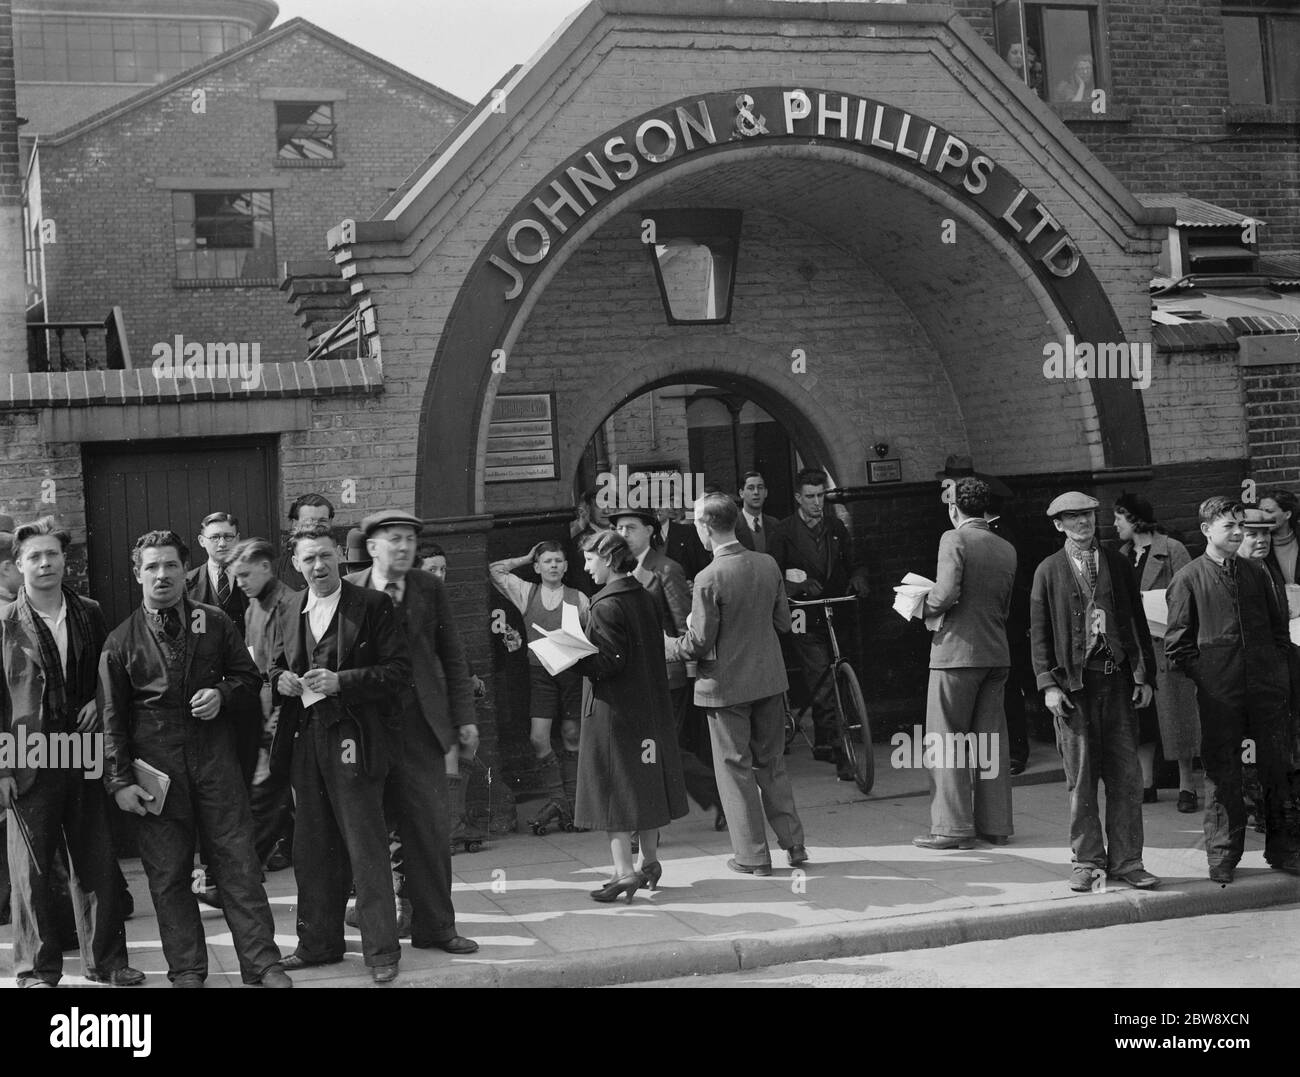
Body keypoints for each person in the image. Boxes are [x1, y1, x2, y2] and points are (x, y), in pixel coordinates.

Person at [100, 529, 290, 988]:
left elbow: (249, 679)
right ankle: (187, 969)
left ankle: (262, 964)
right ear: (137, 574)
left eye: (170, 565)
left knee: (238, 865)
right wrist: (120, 782)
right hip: (156, 774)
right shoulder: (120, 641)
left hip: (215, 765)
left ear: (185, 570)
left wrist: (222, 693)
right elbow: (112, 720)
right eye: (151, 567)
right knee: (168, 877)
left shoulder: (215, 621)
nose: (162, 575)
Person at [1, 518, 144, 988]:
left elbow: (108, 672)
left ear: (66, 561)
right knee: (32, 872)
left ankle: (107, 963)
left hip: (81, 748)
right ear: (19, 565)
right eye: (34, 557)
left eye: (52, 555)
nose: (45, 563)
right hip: (28, 753)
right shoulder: (4, 623)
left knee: (96, 860)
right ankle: (36, 970)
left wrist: (93, 704)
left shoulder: (89, 610)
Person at [268, 521, 409, 982]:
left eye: (325, 555)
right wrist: (281, 681)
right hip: (304, 737)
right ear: (295, 564)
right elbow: (273, 665)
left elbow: (398, 672)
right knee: (310, 846)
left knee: (364, 844)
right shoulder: (288, 608)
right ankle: (318, 944)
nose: (318, 565)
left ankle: (381, 952)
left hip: (353, 737)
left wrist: (341, 682)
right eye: (308, 558)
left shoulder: (371, 605)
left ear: (339, 558)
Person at [347, 510, 479, 957]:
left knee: (429, 831)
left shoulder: (429, 588)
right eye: (394, 540)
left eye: (409, 540)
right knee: (370, 834)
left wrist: (464, 718)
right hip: (366, 732)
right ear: (372, 547)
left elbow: (452, 656)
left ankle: (436, 928)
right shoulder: (352, 591)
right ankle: (376, 932)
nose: (403, 548)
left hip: (421, 729)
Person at [666, 493, 807, 874]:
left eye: (696, 522)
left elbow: (698, 643)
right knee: (772, 764)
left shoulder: (708, 577)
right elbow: (782, 623)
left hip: (725, 687)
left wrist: (668, 646)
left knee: (735, 770)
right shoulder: (767, 564)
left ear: (705, 527)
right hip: (769, 679)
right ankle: (794, 847)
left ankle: (753, 856)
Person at [1165, 497, 1300, 882]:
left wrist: (1274, 670)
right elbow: (1178, 646)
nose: (1239, 533)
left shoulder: (1257, 573)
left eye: (1241, 525)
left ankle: (1285, 850)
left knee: (1276, 770)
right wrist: (1210, 678)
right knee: (1224, 776)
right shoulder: (1188, 578)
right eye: (1230, 526)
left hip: (1266, 691)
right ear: (1207, 529)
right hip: (1220, 697)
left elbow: (1278, 630)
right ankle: (1223, 857)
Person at [1030, 492, 1160, 892]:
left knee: (1125, 775)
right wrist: (1048, 684)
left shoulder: (1117, 564)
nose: (1082, 524)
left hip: (1117, 682)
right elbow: (1038, 634)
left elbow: (1136, 623)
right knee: (1081, 778)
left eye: (1087, 515)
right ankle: (1087, 862)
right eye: (1072, 518)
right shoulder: (1048, 570)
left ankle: (1128, 861)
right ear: (1058, 525)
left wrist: (1141, 675)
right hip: (1074, 686)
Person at [574, 530, 688, 901]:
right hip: (648, 707)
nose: (586, 567)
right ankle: (649, 862)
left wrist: (573, 657)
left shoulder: (606, 605)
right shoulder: (643, 594)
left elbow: (608, 664)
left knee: (615, 792)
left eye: (590, 559)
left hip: (614, 713)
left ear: (608, 558)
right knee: (645, 785)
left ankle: (624, 873)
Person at [913, 479, 1017, 850]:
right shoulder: (1005, 547)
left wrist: (921, 606)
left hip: (955, 654)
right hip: (995, 652)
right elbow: (1002, 604)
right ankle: (996, 824)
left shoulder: (953, 538)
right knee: (991, 740)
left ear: (955, 509)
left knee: (945, 741)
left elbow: (945, 593)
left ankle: (952, 828)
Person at [613, 506, 724, 825]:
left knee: (660, 747)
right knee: (659, 747)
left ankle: (650, 819)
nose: (623, 534)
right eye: (619, 529)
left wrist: (689, 669)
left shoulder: (665, 568)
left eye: (630, 527)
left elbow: (681, 624)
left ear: (650, 530)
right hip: (633, 675)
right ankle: (717, 797)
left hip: (666, 674)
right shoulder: (619, 569)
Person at [768, 467, 870, 777]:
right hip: (802, 615)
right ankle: (843, 755)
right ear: (798, 497)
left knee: (839, 673)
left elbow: (855, 562)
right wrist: (797, 587)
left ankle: (828, 739)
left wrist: (858, 578)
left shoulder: (836, 527)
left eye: (821, 495)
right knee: (822, 681)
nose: (817, 502)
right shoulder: (783, 532)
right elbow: (772, 577)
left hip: (835, 610)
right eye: (810, 497)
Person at [490, 540, 588, 832]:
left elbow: (593, 635)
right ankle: (559, 800)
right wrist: (525, 555)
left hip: (571, 673)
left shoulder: (579, 598)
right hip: (540, 673)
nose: (553, 566)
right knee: (538, 738)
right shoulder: (526, 592)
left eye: (558, 561)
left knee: (572, 734)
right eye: (547, 561)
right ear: (537, 567)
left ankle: (573, 806)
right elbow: (495, 571)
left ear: (566, 566)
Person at [1111, 494, 1200, 812]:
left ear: (1133, 519)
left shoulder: (1172, 549)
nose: (1115, 525)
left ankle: (1187, 785)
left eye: (1118, 518)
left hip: (1167, 644)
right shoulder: (1122, 555)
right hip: (1138, 648)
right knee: (1142, 716)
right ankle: (1146, 783)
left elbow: (1191, 595)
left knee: (1178, 717)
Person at [230, 538, 300, 871]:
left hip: (285, 714)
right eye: (236, 576)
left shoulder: (288, 604)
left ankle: (243, 871)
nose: (240, 583)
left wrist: (271, 722)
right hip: (265, 713)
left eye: (245, 574)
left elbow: (285, 668)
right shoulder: (253, 606)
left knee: (267, 794)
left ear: (265, 567)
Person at [274, 494, 335, 590]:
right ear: (295, 524)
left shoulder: (342, 564)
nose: (316, 526)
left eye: (322, 521)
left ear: (330, 522)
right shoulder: (276, 571)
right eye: (308, 521)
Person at [1259, 488, 1300, 585]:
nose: (1263, 516)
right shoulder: (1259, 543)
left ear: (1287, 514)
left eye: (1268, 511)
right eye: (1261, 511)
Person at [734, 471, 780, 556]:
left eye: (760, 487)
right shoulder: (733, 525)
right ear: (741, 493)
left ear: (766, 493)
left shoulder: (775, 524)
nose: (756, 492)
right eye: (751, 488)